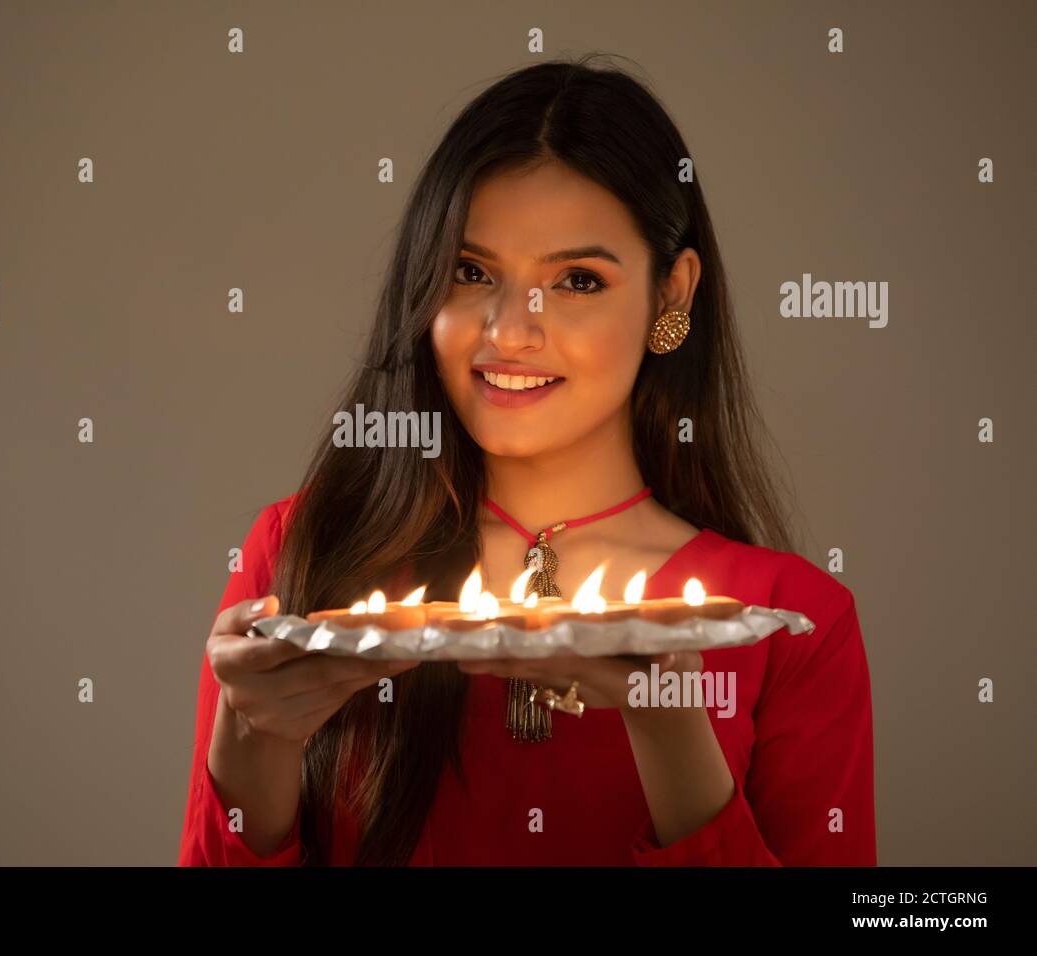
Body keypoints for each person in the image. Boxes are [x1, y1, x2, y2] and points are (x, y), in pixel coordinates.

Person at [178, 55, 876, 866]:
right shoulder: (302, 553)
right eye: (472, 273)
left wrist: (669, 724)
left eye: (577, 281)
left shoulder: (793, 624)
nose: (510, 330)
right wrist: (253, 740)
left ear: (672, 297)